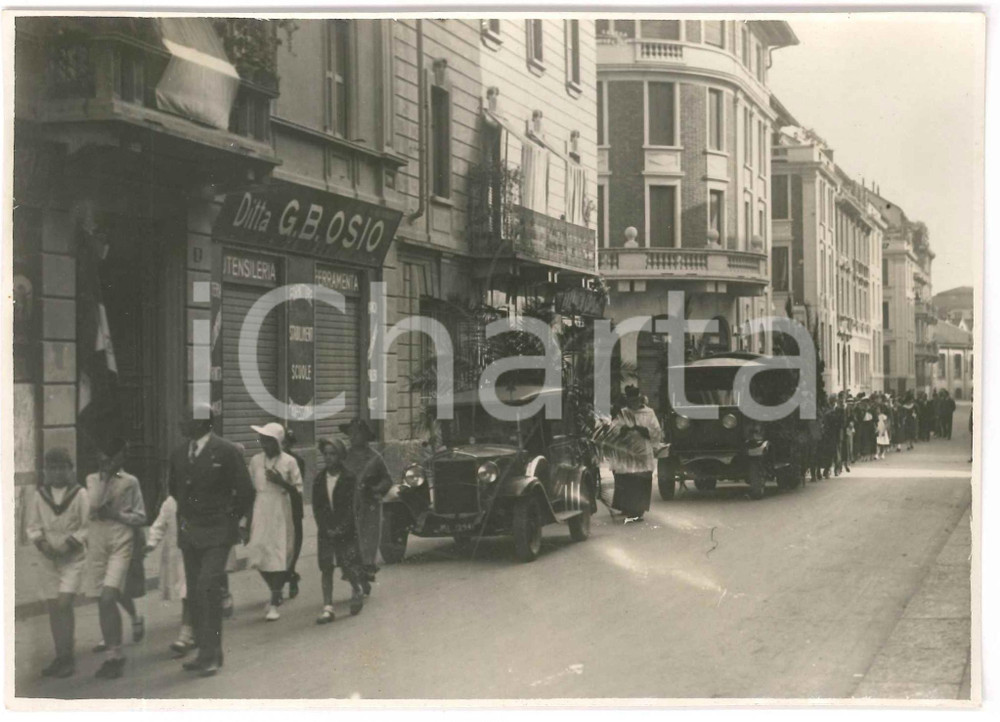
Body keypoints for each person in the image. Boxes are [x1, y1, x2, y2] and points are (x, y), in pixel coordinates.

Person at [170, 403, 254, 678]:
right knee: (195, 592)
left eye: (187, 418)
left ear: (204, 423)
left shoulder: (226, 451)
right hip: (190, 533)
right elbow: (174, 489)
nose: (181, 422)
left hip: (217, 533)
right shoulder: (180, 453)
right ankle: (203, 652)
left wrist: (231, 520)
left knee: (208, 587)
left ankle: (213, 654)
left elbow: (245, 492)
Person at [86, 437, 146, 679]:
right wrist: (104, 479)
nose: (105, 459)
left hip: (121, 543)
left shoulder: (130, 482)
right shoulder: (91, 480)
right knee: (103, 599)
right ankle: (113, 656)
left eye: (110, 455)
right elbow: (91, 507)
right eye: (101, 455)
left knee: (109, 597)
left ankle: (116, 654)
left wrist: (118, 514)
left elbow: (141, 516)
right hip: (98, 543)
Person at [26, 448, 89, 678]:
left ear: (70, 470)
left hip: (72, 558)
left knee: (64, 603)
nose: (57, 472)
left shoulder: (80, 494)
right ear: (46, 471)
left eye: (62, 467)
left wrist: (68, 545)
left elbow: (86, 526)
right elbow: (33, 526)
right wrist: (43, 545)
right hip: (48, 559)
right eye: (52, 467)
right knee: (54, 608)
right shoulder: (40, 495)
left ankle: (68, 656)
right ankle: (60, 655)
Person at [246, 422, 303, 621]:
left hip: (280, 508)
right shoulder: (255, 461)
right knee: (258, 553)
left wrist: (282, 482)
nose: (264, 444)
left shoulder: (289, 462)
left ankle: (274, 600)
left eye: (269, 440)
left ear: (278, 442)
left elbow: (298, 491)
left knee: (279, 554)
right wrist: (246, 521)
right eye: (262, 439)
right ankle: (275, 592)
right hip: (260, 508)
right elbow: (251, 489)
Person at [313, 439, 365, 623]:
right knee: (326, 567)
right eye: (325, 454)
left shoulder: (349, 478)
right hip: (326, 531)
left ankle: (357, 589)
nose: (328, 458)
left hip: (345, 530)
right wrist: (325, 527)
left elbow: (353, 506)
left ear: (340, 456)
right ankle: (327, 607)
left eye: (332, 454)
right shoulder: (319, 479)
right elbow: (317, 507)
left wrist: (342, 527)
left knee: (346, 564)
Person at [340, 417, 393, 594]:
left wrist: (376, 488)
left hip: (369, 507)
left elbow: (387, 479)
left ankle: (363, 580)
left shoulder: (375, 458)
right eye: (350, 433)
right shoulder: (344, 457)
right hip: (349, 506)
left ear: (365, 436)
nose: (353, 437)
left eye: (357, 433)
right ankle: (358, 582)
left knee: (366, 544)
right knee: (350, 545)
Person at [144, 493, 192, 656]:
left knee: (188, 594)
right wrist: (151, 543)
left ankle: (185, 635)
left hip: (192, 553)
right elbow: (159, 524)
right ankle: (191, 632)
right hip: (175, 554)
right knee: (187, 594)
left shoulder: (196, 498)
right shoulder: (170, 503)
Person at [609, 386, 662, 521]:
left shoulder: (649, 413)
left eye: (635, 401)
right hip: (627, 451)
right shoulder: (623, 413)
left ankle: (638, 511)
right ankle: (629, 508)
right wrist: (623, 430)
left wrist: (643, 429)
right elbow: (613, 429)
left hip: (642, 452)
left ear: (640, 399)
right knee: (628, 480)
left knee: (641, 481)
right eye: (630, 401)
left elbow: (656, 431)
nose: (633, 404)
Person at [282, 428, 306, 600]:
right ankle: (289, 576)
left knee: (295, 542)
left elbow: (297, 486)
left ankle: (291, 574)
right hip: (277, 509)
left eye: (287, 443)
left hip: (294, 507)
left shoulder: (297, 461)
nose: (284, 446)